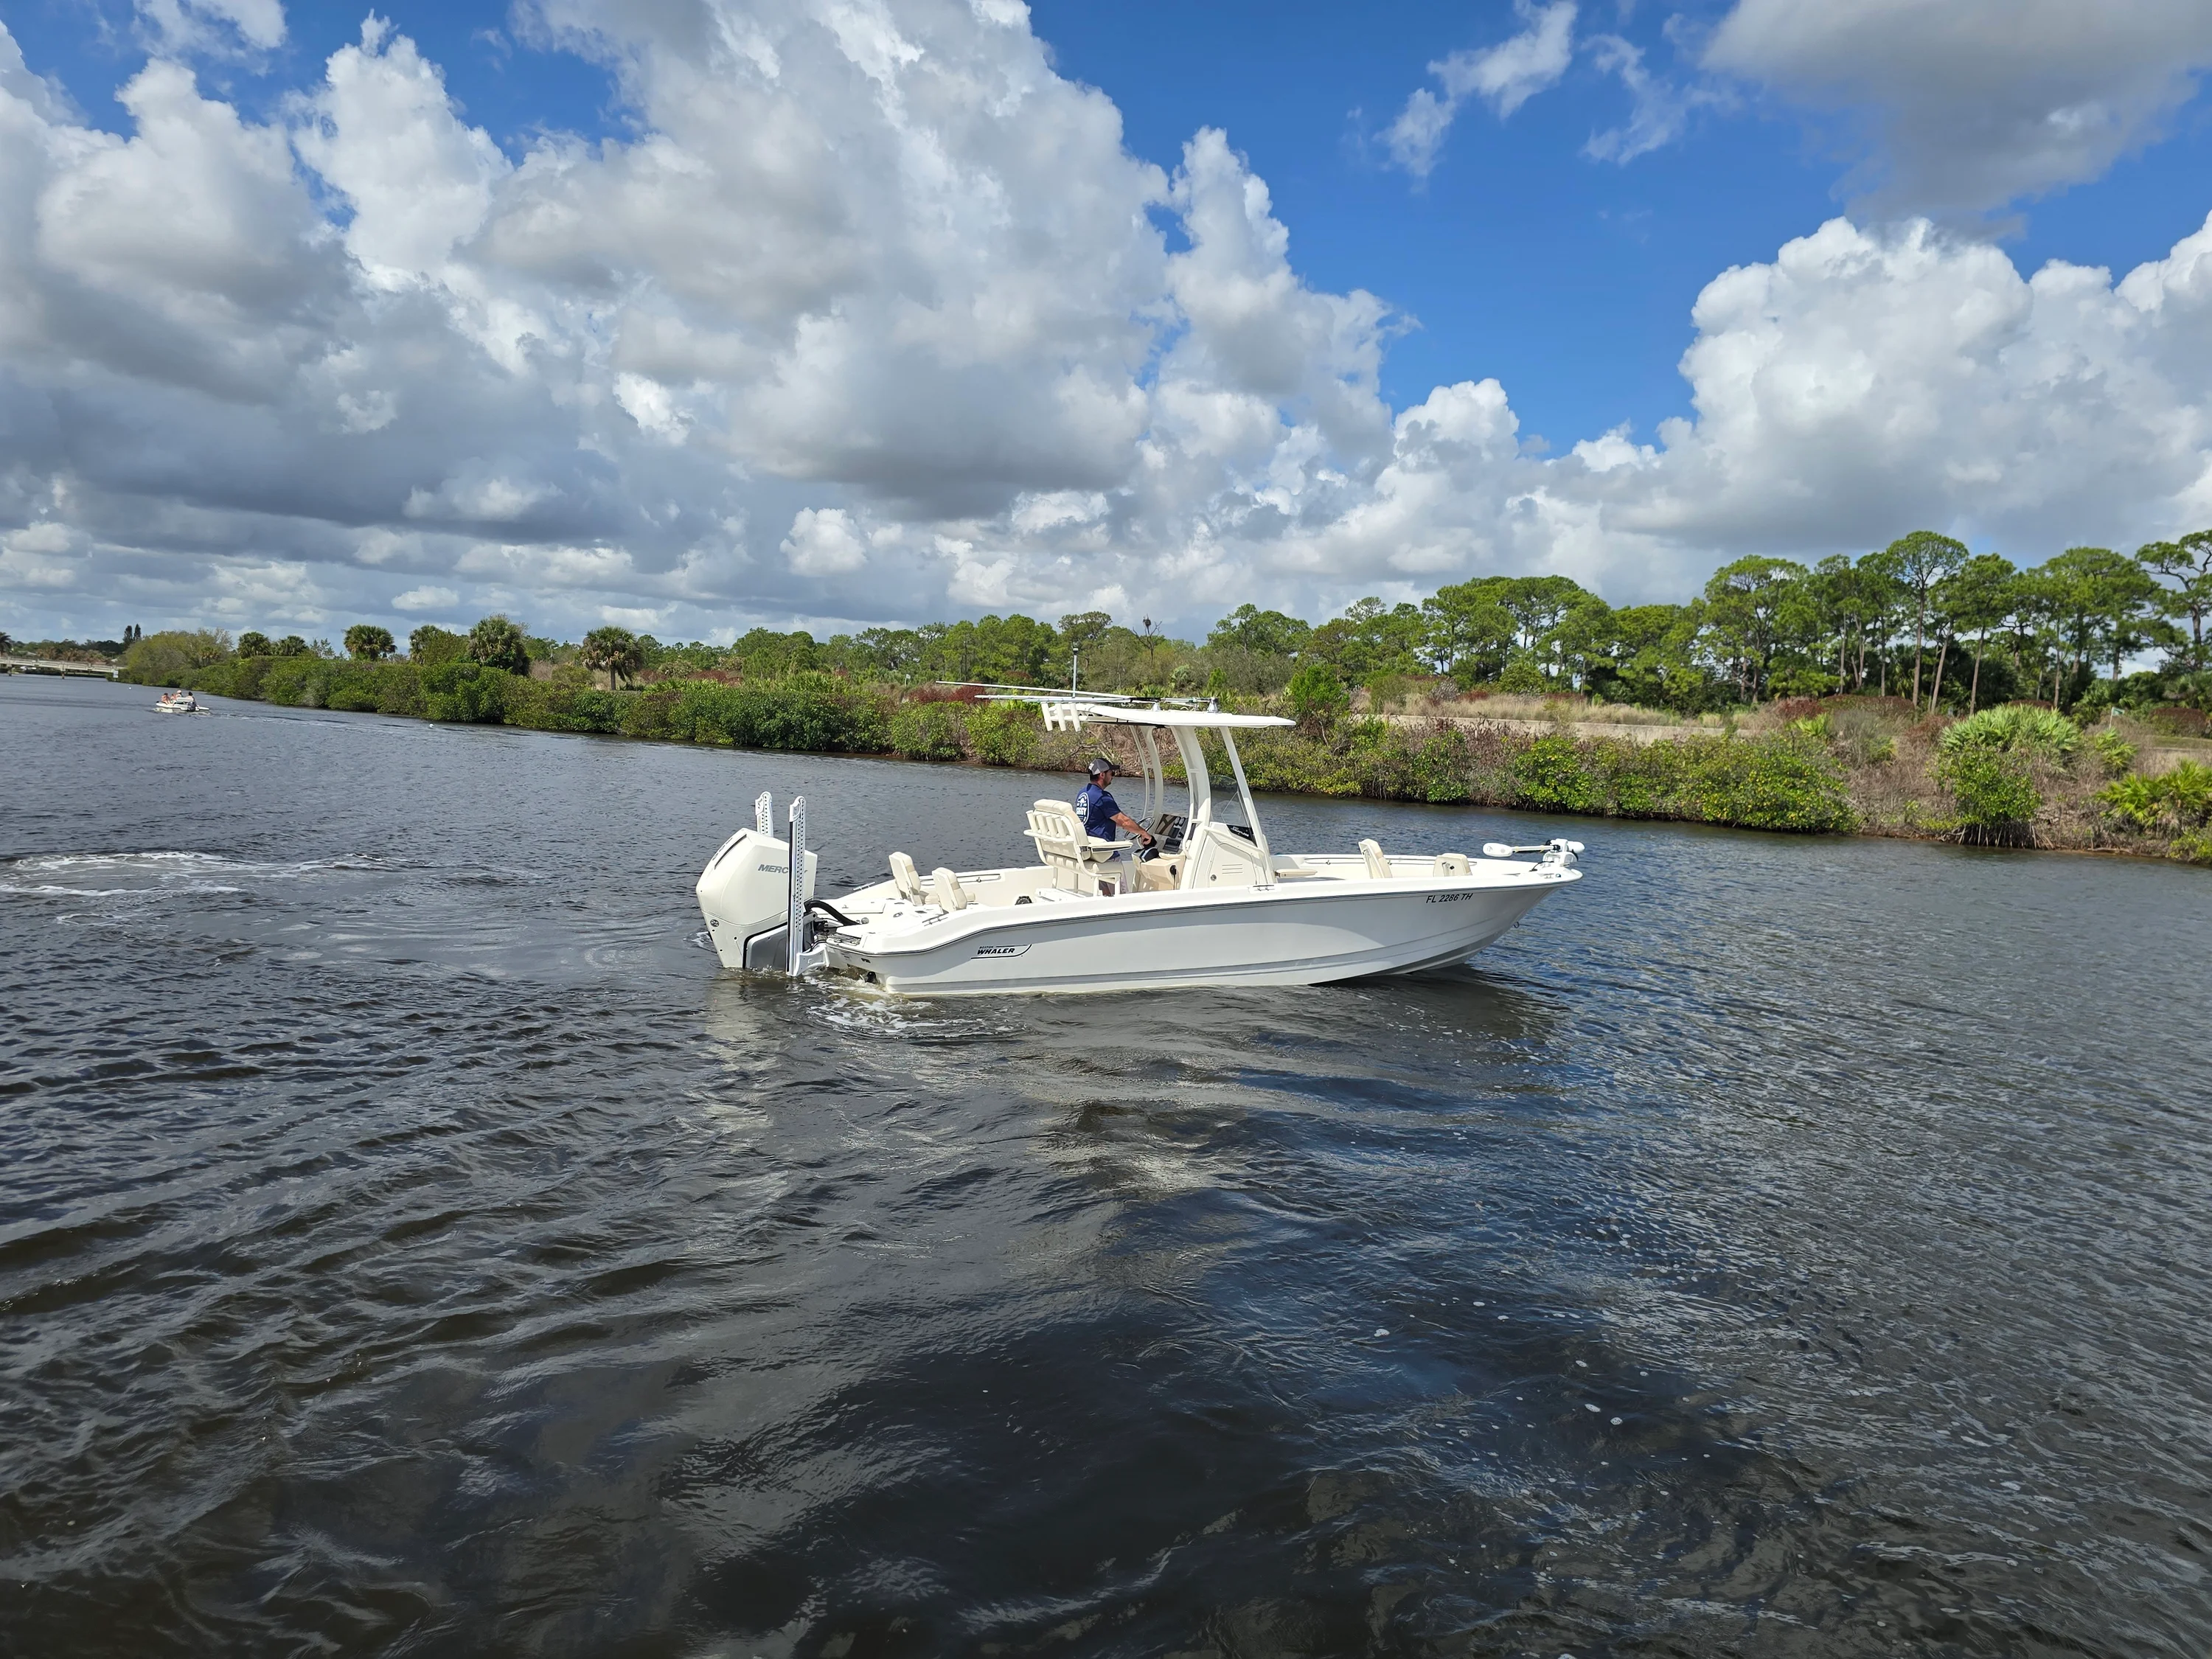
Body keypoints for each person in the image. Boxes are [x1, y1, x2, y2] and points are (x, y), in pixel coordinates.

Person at [1074, 757, 1155, 862]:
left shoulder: (1083, 793)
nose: (1113, 777)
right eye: (1111, 773)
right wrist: (1144, 834)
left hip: (1088, 851)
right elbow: (1124, 822)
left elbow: (1096, 819)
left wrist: (1132, 828)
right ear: (1102, 774)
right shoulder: (1102, 797)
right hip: (1103, 854)